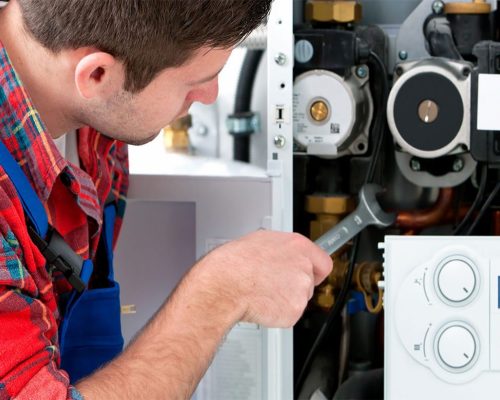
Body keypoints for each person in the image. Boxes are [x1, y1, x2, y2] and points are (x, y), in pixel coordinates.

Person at [0, 1, 333, 399]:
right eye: (196, 81)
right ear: (98, 75)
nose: (211, 95)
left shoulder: (93, 109)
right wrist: (220, 292)